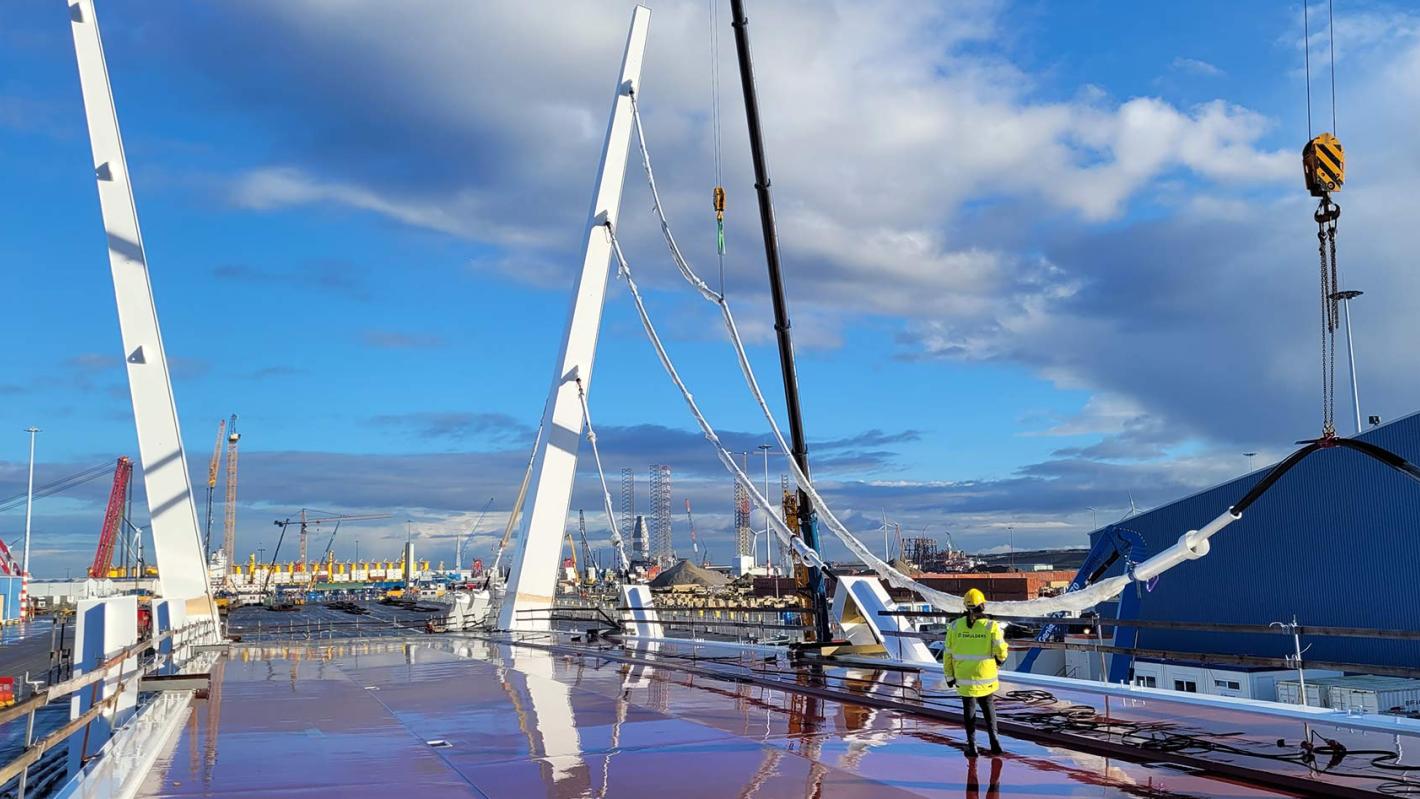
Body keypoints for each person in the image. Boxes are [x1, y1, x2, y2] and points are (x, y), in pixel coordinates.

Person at [944, 588, 1007, 757]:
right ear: (983, 606)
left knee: (969, 709)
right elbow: (1001, 649)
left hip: (964, 677)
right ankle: (995, 742)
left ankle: (972, 746)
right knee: (988, 706)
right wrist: (1000, 660)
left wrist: (949, 676)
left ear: (965, 607)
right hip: (986, 676)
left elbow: (947, 654)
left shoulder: (955, 626)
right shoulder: (991, 626)